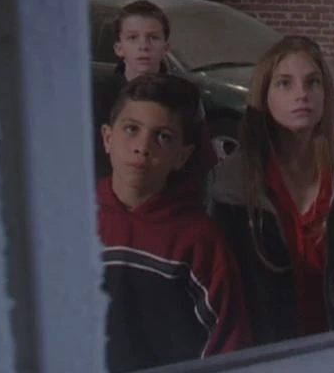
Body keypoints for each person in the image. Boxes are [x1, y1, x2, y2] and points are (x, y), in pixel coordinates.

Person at [209, 35, 334, 346]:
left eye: (312, 82)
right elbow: (220, 292)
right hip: (262, 354)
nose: (302, 94)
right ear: (264, 96)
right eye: (285, 84)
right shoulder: (231, 185)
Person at [97, 74, 250, 372]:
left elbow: (228, 344)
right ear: (107, 138)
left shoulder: (199, 241)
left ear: (182, 156)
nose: (142, 147)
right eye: (131, 129)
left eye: (163, 136)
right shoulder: (75, 222)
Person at [93, 0, 218, 183]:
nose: (143, 46)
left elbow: (202, 160)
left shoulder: (185, 96)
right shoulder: (99, 97)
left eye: (153, 38)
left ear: (166, 47)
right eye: (133, 37)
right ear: (119, 48)